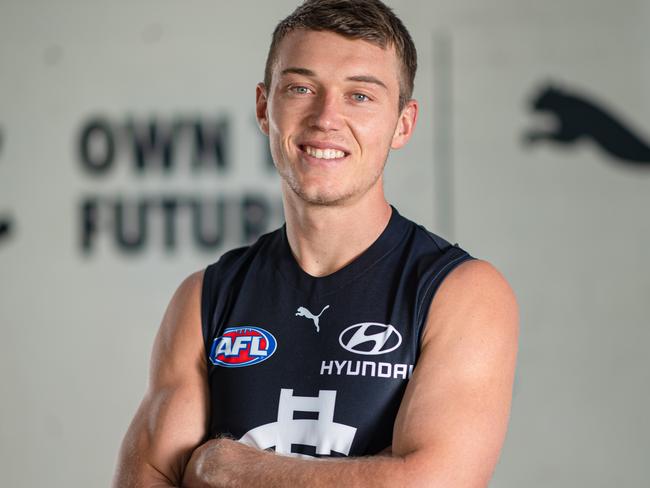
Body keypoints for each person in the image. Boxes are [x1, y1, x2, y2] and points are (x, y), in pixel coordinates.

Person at [112, 0, 519, 486]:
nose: (326, 117)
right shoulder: (206, 299)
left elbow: (433, 482)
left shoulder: (460, 293)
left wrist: (229, 467)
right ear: (265, 108)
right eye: (301, 88)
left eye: (360, 96)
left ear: (403, 123)